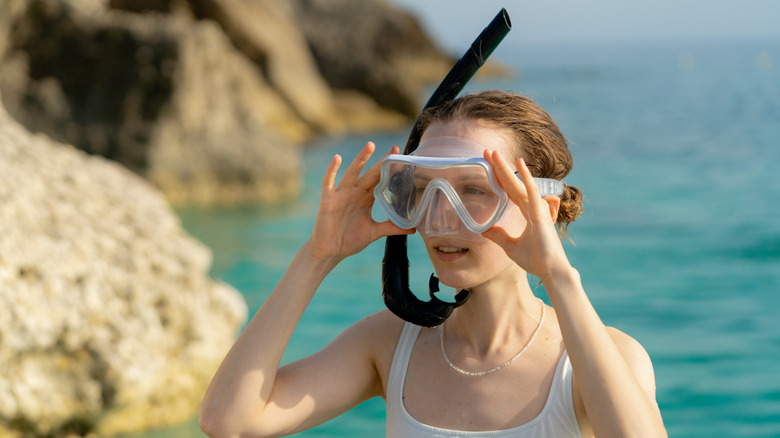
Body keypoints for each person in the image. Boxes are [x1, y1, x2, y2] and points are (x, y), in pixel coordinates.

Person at [199, 90, 667, 437]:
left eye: (474, 190)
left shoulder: (600, 358)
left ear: (539, 210)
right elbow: (228, 422)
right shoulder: (388, 345)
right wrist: (316, 258)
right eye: (423, 190)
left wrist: (559, 277)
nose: (439, 218)